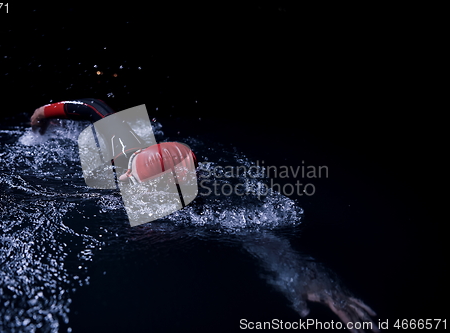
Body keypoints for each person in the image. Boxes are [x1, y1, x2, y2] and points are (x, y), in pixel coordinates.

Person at [30, 99, 379, 333]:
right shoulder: (121, 157)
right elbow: (91, 105)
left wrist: (310, 280)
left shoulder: (202, 209)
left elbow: (263, 238)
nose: (124, 181)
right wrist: (42, 115)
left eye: (134, 180)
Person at [31, 98, 197, 184]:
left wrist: (40, 113)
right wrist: (43, 112)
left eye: (131, 176)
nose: (124, 176)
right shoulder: (126, 149)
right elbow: (93, 106)